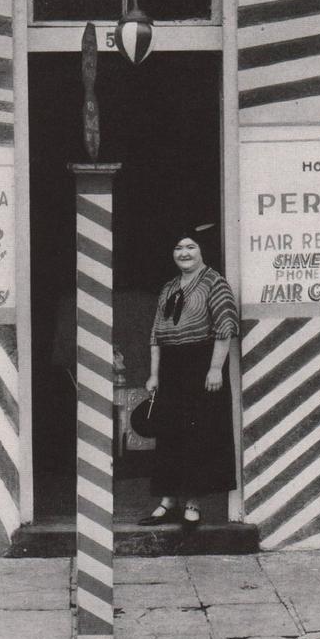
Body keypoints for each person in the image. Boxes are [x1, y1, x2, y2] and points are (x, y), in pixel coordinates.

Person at [139, 221, 238, 530]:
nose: (184, 253)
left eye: (190, 247)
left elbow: (225, 327)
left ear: (201, 251)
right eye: (179, 248)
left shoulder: (214, 283)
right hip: (171, 366)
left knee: (198, 435)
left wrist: (214, 368)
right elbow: (156, 333)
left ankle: (193, 504)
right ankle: (168, 502)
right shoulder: (169, 288)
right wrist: (154, 375)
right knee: (169, 433)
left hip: (201, 364)